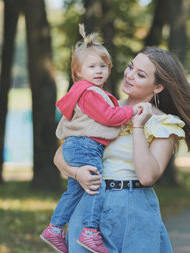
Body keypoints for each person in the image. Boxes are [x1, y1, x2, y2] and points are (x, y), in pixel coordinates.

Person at [54, 47, 190, 252]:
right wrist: (77, 173)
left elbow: (147, 176)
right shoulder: (102, 109)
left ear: (157, 87)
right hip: (90, 207)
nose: (129, 75)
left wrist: (138, 125)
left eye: (140, 74)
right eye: (131, 67)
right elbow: (61, 154)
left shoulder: (164, 123)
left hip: (134, 208)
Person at [40, 24, 139, 253]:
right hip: (86, 146)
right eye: (92, 66)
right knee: (96, 186)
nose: (98, 71)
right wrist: (132, 111)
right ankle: (90, 232)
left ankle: (54, 229)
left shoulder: (89, 92)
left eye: (103, 66)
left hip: (77, 146)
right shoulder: (90, 93)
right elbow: (109, 116)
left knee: (74, 191)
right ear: (78, 73)